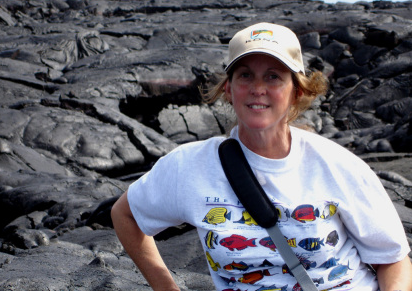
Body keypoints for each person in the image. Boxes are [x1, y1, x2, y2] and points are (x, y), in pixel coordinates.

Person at [111, 22, 412, 291]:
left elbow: (393, 260)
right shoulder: (189, 167)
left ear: (296, 90)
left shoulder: (336, 165)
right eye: (245, 76)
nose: (258, 89)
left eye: (273, 77)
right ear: (228, 89)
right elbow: (125, 214)